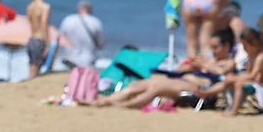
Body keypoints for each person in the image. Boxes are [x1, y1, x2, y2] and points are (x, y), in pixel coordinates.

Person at [94, 27, 236, 109]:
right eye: (212, 47)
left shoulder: (229, 62)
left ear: (227, 46)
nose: (213, 51)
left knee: (156, 88)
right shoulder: (207, 59)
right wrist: (190, 66)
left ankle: (125, 105)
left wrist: (203, 66)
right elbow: (179, 71)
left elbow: (221, 73)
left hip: (197, 88)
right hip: (182, 80)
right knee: (136, 84)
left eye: (216, 47)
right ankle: (106, 101)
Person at [199, 29, 263, 116]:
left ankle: (234, 111)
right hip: (255, 82)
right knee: (229, 79)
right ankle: (206, 93)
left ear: (253, 44)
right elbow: (248, 73)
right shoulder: (252, 56)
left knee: (238, 83)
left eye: (245, 46)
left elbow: (253, 75)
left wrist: (237, 78)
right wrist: (235, 77)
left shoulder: (261, 57)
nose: (244, 48)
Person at [57, 0, 105, 70]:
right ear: (90, 9)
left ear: (79, 9)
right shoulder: (96, 22)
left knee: (72, 78)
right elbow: (101, 44)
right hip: (89, 59)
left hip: (70, 59)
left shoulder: (68, 20)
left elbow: (59, 38)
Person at [24, 0, 51, 79]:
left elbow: (30, 23)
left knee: (31, 69)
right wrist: (48, 44)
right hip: (40, 40)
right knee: (36, 74)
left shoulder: (29, 7)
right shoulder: (45, 7)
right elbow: (44, 25)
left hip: (31, 40)